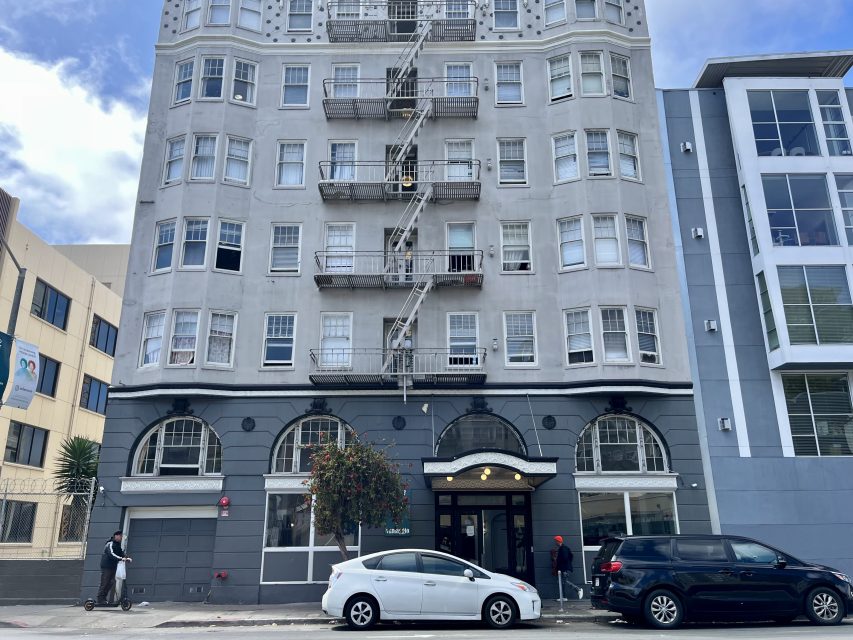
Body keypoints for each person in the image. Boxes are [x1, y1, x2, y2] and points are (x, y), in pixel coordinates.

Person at [98, 530, 131, 604]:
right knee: (105, 582)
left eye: (122, 536)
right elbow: (111, 554)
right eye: (120, 536)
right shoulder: (110, 544)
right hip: (106, 566)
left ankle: (104, 598)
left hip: (113, 566)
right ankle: (100, 599)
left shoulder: (117, 545)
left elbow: (121, 553)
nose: (121, 538)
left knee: (111, 582)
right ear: (116, 536)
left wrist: (126, 558)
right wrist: (121, 558)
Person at [551, 535, 583, 600]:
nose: (555, 543)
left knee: (565, 581)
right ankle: (564, 597)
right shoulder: (564, 548)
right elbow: (571, 556)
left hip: (564, 568)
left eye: (555, 541)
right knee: (562, 583)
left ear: (558, 541)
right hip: (564, 568)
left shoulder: (563, 548)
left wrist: (563, 564)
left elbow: (565, 558)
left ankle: (578, 589)